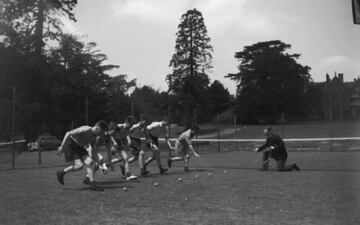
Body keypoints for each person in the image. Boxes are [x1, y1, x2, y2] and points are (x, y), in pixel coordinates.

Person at [56, 120, 108, 190]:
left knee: (89, 163)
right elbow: (68, 133)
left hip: (80, 147)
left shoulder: (94, 138)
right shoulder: (86, 129)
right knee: (79, 166)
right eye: (101, 132)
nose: (101, 134)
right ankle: (61, 172)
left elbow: (94, 151)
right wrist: (62, 147)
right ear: (96, 128)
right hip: (71, 145)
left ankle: (92, 184)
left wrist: (99, 165)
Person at [107, 116, 138, 181]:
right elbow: (109, 134)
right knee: (124, 158)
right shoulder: (118, 126)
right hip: (113, 143)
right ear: (127, 122)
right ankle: (128, 175)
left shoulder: (128, 129)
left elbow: (124, 136)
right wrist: (114, 142)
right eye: (131, 124)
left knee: (125, 158)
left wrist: (127, 141)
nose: (132, 126)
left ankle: (128, 175)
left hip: (119, 143)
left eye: (133, 124)